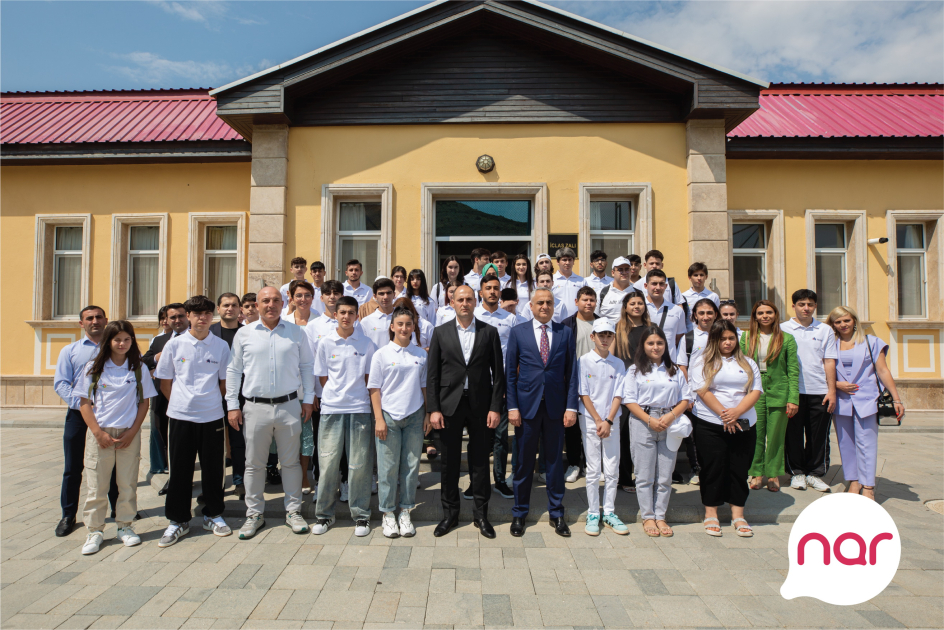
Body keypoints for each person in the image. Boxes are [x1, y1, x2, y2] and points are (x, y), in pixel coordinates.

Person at [227, 287, 315, 539]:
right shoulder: (244, 334)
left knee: (290, 462)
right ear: (256, 304)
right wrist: (232, 405)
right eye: (265, 300)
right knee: (253, 464)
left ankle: (293, 511)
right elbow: (233, 371)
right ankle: (254, 514)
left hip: (289, 406)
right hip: (255, 407)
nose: (271, 305)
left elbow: (307, 367)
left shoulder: (297, 333)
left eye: (276, 300)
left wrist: (308, 399)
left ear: (284, 302)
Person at [427, 286, 505, 539]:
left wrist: (495, 407)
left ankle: (481, 515)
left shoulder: (489, 332)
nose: (464, 303)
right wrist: (434, 409)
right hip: (449, 405)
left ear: (476, 301)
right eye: (460, 299)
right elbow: (432, 375)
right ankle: (449, 514)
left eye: (469, 299)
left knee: (481, 461)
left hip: (481, 406)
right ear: (452, 302)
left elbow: (498, 375)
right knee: (449, 461)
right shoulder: (440, 333)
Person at [154, 296, 232, 547]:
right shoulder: (174, 345)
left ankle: (213, 515)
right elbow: (165, 382)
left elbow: (224, 383)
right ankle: (178, 521)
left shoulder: (220, 346)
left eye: (207, 313)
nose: (202, 318)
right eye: (197, 313)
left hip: (211, 416)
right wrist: (182, 401)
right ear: (188, 315)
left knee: (213, 470)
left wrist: (205, 401)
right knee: (180, 470)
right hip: (180, 417)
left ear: (213, 316)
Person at [75, 321, 158, 554]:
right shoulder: (94, 367)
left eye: (127, 339)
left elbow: (144, 402)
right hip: (100, 434)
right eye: (117, 339)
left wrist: (132, 431)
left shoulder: (138, 368)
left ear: (132, 341)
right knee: (97, 485)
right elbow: (84, 403)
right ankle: (95, 531)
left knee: (127, 483)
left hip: (128, 434)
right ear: (108, 341)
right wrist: (98, 433)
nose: (122, 344)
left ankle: (125, 526)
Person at [507, 287, 579, 538]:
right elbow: (510, 375)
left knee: (554, 462)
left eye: (549, 302)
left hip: (556, 409)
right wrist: (512, 407)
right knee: (524, 463)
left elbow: (571, 374)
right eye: (540, 303)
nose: (544, 307)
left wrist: (571, 407)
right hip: (526, 409)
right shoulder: (518, 332)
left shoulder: (565, 333)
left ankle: (557, 513)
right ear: (532, 306)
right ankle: (519, 512)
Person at [689, 320, 763, 538]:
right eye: (723, 339)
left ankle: (738, 514)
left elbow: (755, 391)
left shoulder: (748, 362)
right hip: (710, 423)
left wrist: (736, 413)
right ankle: (711, 512)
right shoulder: (701, 362)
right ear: (714, 340)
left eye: (731, 338)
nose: (728, 342)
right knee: (713, 468)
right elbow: (704, 391)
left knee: (739, 468)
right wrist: (725, 413)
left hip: (743, 423)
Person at [53, 305, 120, 537]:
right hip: (78, 416)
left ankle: (118, 509)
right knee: (73, 467)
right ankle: (68, 514)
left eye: (99, 317)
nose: (95, 321)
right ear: (81, 324)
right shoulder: (70, 351)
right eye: (89, 318)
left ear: (106, 320)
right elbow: (61, 383)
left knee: (111, 464)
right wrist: (83, 405)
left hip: (109, 415)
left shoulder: (117, 348)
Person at [312, 296, 377, 537]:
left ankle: (361, 516)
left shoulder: (367, 344)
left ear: (356, 315)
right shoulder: (326, 343)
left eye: (351, 312)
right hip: (332, 410)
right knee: (328, 464)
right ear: (335, 314)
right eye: (342, 312)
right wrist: (337, 395)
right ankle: (325, 515)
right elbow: (322, 377)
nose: (346, 317)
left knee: (359, 465)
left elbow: (371, 379)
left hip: (360, 408)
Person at [826, 306, 904, 500]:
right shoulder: (829, 344)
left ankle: (868, 485)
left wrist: (896, 398)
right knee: (846, 443)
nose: (843, 324)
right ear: (833, 325)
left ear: (854, 321)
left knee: (867, 443)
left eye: (846, 320)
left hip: (867, 399)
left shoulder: (872, 342)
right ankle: (854, 480)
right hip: (841, 401)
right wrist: (836, 384)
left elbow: (883, 371)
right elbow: (822, 371)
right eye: (838, 321)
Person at [623, 326, 692, 538]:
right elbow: (629, 400)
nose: (655, 347)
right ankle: (648, 516)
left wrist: (670, 416)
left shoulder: (674, 370)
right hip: (643, 423)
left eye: (659, 343)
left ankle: (660, 515)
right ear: (643, 346)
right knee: (644, 475)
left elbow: (686, 399)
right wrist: (650, 420)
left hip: (670, 422)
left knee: (665, 475)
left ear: (665, 345)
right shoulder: (635, 370)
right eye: (650, 343)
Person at [368, 306, 431, 538]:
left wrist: (427, 413)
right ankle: (387, 513)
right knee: (387, 468)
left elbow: (425, 386)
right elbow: (374, 389)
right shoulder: (381, 354)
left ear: (414, 327)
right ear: (392, 327)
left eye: (409, 324)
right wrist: (379, 419)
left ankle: (405, 511)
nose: (404, 328)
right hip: (388, 417)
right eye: (400, 324)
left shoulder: (421, 355)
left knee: (411, 467)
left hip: (414, 415)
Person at [465, 274, 520, 500]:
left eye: (496, 288)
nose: (492, 292)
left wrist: (511, 384)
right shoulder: (472, 315)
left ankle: (499, 480)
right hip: (477, 385)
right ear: (481, 292)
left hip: (502, 384)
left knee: (500, 437)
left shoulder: (510, 319)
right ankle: (475, 482)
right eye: (488, 288)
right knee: (477, 438)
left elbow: (516, 355)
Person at [781, 289, 838, 492]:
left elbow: (829, 361)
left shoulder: (825, 330)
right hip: (793, 392)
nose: (806, 308)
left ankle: (815, 473)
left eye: (810, 304)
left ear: (815, 306)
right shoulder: (783, 329)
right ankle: (796, 473)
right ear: (794, 305)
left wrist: (832, 391)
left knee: (818, 435)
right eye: (802, 304)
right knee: (793, 434)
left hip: (819, 390)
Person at [576, 319, 629, 536]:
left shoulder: (618, 363)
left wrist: (608, 420)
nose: (605, 339)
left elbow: (619, 393)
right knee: (593, 467)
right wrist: (598, 419)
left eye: (609, 335)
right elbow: (584, 393)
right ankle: (592, 512)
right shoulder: (583, 361)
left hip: (612, 421)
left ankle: (609, 511)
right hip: (590, 420)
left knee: (612, 467)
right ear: (593, 337)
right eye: (601, 335)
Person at [742, 300, 799, 492]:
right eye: (760, 313)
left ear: (775, 315)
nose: (764, 316)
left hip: (779, 390)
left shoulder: (787, 338)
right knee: (755, 434)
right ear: (755, 316)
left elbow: (793, 371)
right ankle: (756, 472)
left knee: (775, 435)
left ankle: (773, 473)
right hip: (754, 390)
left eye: (769, 312)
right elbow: (740, 367)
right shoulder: (746, 337)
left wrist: (793, 398)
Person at [142, 302, 189, 496]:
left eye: (180, 316)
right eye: (173, 317)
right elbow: (144, 361)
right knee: (170, 438)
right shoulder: (160, 341)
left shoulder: (199, 338)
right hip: (164, 395)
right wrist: (156, 358)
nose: (177, 320)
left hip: (190, 398)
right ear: (167, 320)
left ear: (187, 316)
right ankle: (174, 478)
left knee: (188, 441)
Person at [305, 280, 347, 498]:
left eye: (336, 293)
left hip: (347, 396)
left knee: (346, 446)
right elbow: (309, 363)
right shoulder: (313, 326)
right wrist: (311, 393)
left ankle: (346, 481)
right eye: (328, 293)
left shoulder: (351, 323)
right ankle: (322, 482)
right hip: (321, 397)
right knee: (323, 443)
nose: (332, 296)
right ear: (321, 298)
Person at [612, 291, 650, 493]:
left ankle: (645, 477)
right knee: (624, 434)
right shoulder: (618, 330)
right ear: (625, 306)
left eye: (640, 303)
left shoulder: (652, 330)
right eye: (632, 303)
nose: (637, 306)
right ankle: (624, 478)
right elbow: (610, 358)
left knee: (645, 435)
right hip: (624, 388)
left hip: (647, 387)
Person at [560, 286, 599, 483]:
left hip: (598, 382)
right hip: (573, 381)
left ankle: (594, 465)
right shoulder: (566, 325)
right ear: (576, 302)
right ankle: (574, 463)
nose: (588, 303)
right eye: (584, 299)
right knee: (573, 425)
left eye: (592, 300)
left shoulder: (602, 324)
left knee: (594, 424)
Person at [210, 293, 246, 499]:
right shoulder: (210, 333)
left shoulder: (247, 332)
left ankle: (239, 481)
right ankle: (216, 484)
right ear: (218, 308)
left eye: (234, 305)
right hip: (212, 396)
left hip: (240, 396)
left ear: (240, 308)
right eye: (225, 305)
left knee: (238, 441)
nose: (229, 308)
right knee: (215, 444)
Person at [644, 269, 687, 357]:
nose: (658, 287)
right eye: (654, 284)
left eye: (661, 284)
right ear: (646, 286)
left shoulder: (677, 310)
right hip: (644, 363)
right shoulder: (639, 309)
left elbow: (679, 338)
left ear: (666, 286)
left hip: (669, 363)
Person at [682, 263, 720, 332]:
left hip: (709, 334)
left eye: (701, 275)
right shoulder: (683, 296)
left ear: (706, 277)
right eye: (695, 275)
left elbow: (717, 318)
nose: (699, 278)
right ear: (689, 278)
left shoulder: (713, 296)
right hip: (690, 334)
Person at [361, 278, 397, 349]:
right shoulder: (366, 322)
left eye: (388, 293)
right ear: (375, 297)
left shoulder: (403, 318)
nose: (385, 297)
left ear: (394, 294)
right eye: (381, 294)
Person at [552, 247, 587, 321]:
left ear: (573, 262)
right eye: (564, 260)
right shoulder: (551, 280)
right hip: (556, 321)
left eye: (570, 260)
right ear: (558, 262)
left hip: (576, 321)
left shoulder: (581, 281)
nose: (567, 263)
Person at [597, 257, 634, 325]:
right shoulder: (602, 293)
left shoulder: (638, 293)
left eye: (627, 269)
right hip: (609, 334)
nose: (624, 272)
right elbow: (595, 317)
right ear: (613, 273)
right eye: (620, 270)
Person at [513, 254, 535, 318]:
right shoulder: (508, 284)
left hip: (530, 319)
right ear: (514, 266)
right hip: (514, 320)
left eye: (524, 264)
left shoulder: (534, 284)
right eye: (518, 264)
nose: (521, 267)